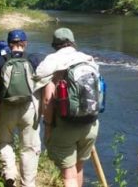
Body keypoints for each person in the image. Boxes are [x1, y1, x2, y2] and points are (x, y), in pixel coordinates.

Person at [35, 28, 100, 187]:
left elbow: (47, 100)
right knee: (79, 168)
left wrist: (48, 127)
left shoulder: (52, 61)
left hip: (66, 125)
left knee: (68, 175)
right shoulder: (88, 59)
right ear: (73, 42)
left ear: (55, 45)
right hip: (90, 123)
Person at [0, 29, 44, 187]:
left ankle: (10, 173)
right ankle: (28, 184)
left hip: (7, 107)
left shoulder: (1, 60)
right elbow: (41, 85)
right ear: (25, 43)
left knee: (4, 141)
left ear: (9, 43)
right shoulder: (33, 59)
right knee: (30, 148)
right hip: (29, 107)